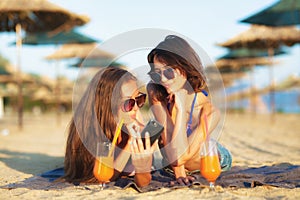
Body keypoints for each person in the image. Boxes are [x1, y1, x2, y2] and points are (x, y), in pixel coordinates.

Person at [146, 35, 232, 185]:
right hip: (178, 157)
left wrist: (180, 110)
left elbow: (178, 158)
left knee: (189, 153)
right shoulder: (156, 91)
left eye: (168, 72)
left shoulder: (209, 111)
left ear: (185, 67)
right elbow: (167, 134)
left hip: (211, 157)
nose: (163, 79)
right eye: (156, 74)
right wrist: (179, 173)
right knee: (159, 134)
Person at [63, 67, 157, 187]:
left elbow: (143, 178)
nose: (135, 107)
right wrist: (129, 143)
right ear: (108, 104)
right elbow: (104, 176)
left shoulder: (131, 124)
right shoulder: (92, 132)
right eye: (129, 103)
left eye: (139, 99)